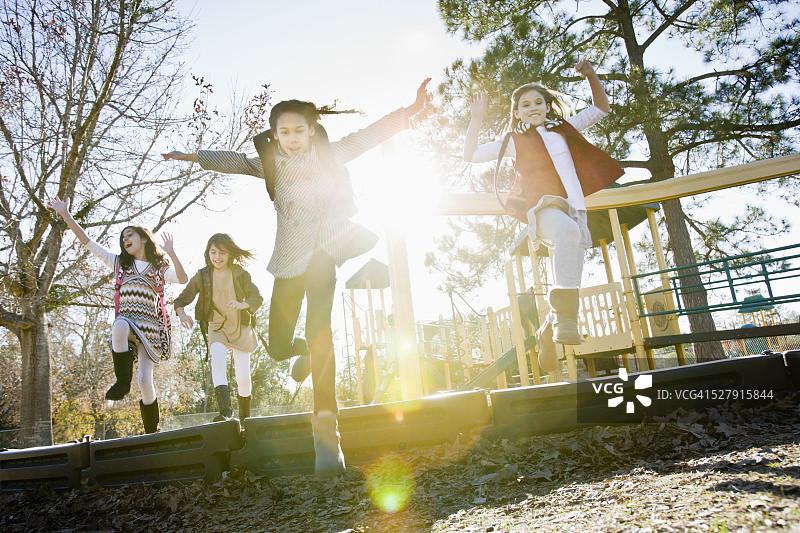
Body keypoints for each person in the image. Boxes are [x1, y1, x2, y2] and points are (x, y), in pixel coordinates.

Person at [162, 78, 430, 474]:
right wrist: (193, 156)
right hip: (288, 261)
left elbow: (369, 135)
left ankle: (327, 429)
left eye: (299, 131)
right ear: (275, 135)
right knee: (277, 344)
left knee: (321, 330)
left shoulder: (331, 155)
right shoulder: (270, 164)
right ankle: (301, 352)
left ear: (311, 130)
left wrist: (409, 111)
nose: (291, 139)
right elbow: (235, 161)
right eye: (283, 132)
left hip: (324, 253)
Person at [463, 60, 623, 372]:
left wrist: (591, 76)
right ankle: (564, 320)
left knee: (571, 272)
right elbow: (471, 155)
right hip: (544, 208)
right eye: (526, 105)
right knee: (565, 233)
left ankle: (548, 331)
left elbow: (601, 108)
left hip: (576, 210)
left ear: (548, 107)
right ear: (517, 113)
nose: (533, 107)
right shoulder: (513, 141)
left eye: (538, 102)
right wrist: (477, 118)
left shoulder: (563, 129)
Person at [48, 197, 188, 434]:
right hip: (128, 324)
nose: (125, 240)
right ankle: (122, 380)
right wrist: (66, 215)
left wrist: (172, 253)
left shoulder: (157, 270)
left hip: (151, 331)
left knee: (145, 382)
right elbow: (88, 242)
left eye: (129, 235)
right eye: (122, 238)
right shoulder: (119, 265)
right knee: (120, 325)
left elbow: (183, 279)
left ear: (143, 238)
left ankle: (151, 431)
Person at [174, 233, 263, 422]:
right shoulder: (203, 275)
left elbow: (257, 297)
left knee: (243, 377)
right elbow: (181, 299)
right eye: (213, 252)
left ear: (230, 254)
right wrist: (182, 314)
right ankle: (225, 411)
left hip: (240, 326)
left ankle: (245, 417)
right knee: (218, 360)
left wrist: (244, 304)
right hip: (216, 327)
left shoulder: (240, 274)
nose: (217, 257)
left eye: (222, 253)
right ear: (208, 253)